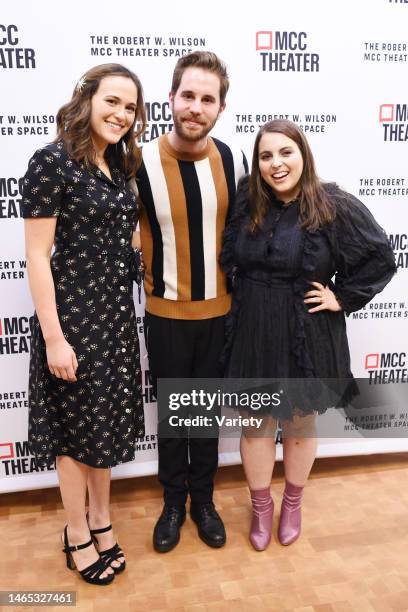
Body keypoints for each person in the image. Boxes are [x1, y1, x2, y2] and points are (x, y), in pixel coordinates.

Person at [220, 119, 396, 551]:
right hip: (254, 325)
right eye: (266, 155)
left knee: (300, 422)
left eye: (285, 152)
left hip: (308, 327)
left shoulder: (331, 204)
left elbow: (380, 256)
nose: (276, 163)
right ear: (257, 162)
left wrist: (343, 296)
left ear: (303, 154)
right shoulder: (247, 199)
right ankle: (262, 506)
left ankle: (292, 503)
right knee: (256, 424)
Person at [22, 63, 146, 584]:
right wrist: (54, 337)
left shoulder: (119, 167)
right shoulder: (52, 162)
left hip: (115, 320)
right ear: (87, 99)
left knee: (104, 428)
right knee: (75, 435)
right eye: (112, 101)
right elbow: (36, 256)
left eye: (131, 107)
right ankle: (76, 532)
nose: (121, 114)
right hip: (72, 320)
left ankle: (101, 518)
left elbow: (126, 241)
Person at [136, 51, 248, 552]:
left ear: (221, 108)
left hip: (220, 313)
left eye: (208, 99)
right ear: (171, 99)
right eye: (188, 96)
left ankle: (203, 501)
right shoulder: (136, 161)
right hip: (165, 316)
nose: (196, 107)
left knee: (204, 416)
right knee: (173, 415)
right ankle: (171, 502)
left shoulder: (233, 158)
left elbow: (248, 234)